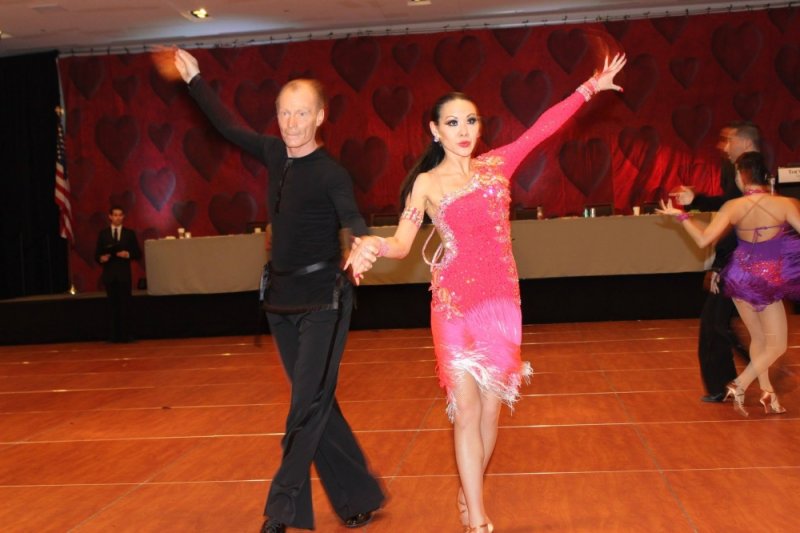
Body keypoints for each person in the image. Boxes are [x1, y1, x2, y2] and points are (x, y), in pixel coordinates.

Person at [346, 54, 626, 532]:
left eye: (470, 120)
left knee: (493, 409)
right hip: (453, 303)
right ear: (434, 130)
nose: (463, 129)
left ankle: (467, 489)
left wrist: (590, 88)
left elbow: (541, 129)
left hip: (501, 302)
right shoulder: (426, 185)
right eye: (453, 122)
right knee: (467, 409)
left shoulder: (498, 164)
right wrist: (372, 243)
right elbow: (401, 243)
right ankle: (477, 518)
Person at [171, 49, 384, 533]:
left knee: (305, 405)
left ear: (320, 116)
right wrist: (196, 80)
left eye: (302, 112)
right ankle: (357, 495)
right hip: (281, 301)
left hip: (324, 302)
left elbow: (352, 217)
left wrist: (363, 243)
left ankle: (282, 509)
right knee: (316, 402)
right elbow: (227, 127)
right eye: (285, 112)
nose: (291, 122)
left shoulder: (331, 172)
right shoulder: (272, 153)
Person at [659, 151, 800, 417]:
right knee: (777, 345)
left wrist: (681, 217)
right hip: (768, 280)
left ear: (741, 176)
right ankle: (740, 383)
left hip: (739, 278)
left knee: (759, 339)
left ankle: (768, 394)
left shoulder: (732, 207)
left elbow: (704, 241)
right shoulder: (785, 204)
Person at [670, 122, 761, 402]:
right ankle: (734, 382)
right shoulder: (737, 173)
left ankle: (729, 385)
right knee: (724, 325)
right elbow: (727, 208)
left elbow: (735, 222)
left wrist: (721, 266)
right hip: (740, 262)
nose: (723, 146)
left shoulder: (752, 176)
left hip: (742, 264)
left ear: (744, 143)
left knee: (717, 325)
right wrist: (696, 199)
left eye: (728, 140)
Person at [94, 205, 141, 343]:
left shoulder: (129, 233)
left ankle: (127, 335)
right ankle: (113, 336)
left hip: (124, 274)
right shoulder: (103, 234)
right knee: (112, 305)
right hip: (109, 274)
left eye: (120, 215)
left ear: (123, 217)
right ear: (110, 216)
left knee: (125, 305)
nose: (117, 217)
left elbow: (137, 253)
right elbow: (96, 255)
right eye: (115, 215)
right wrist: (101, 258)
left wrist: (127, 254)